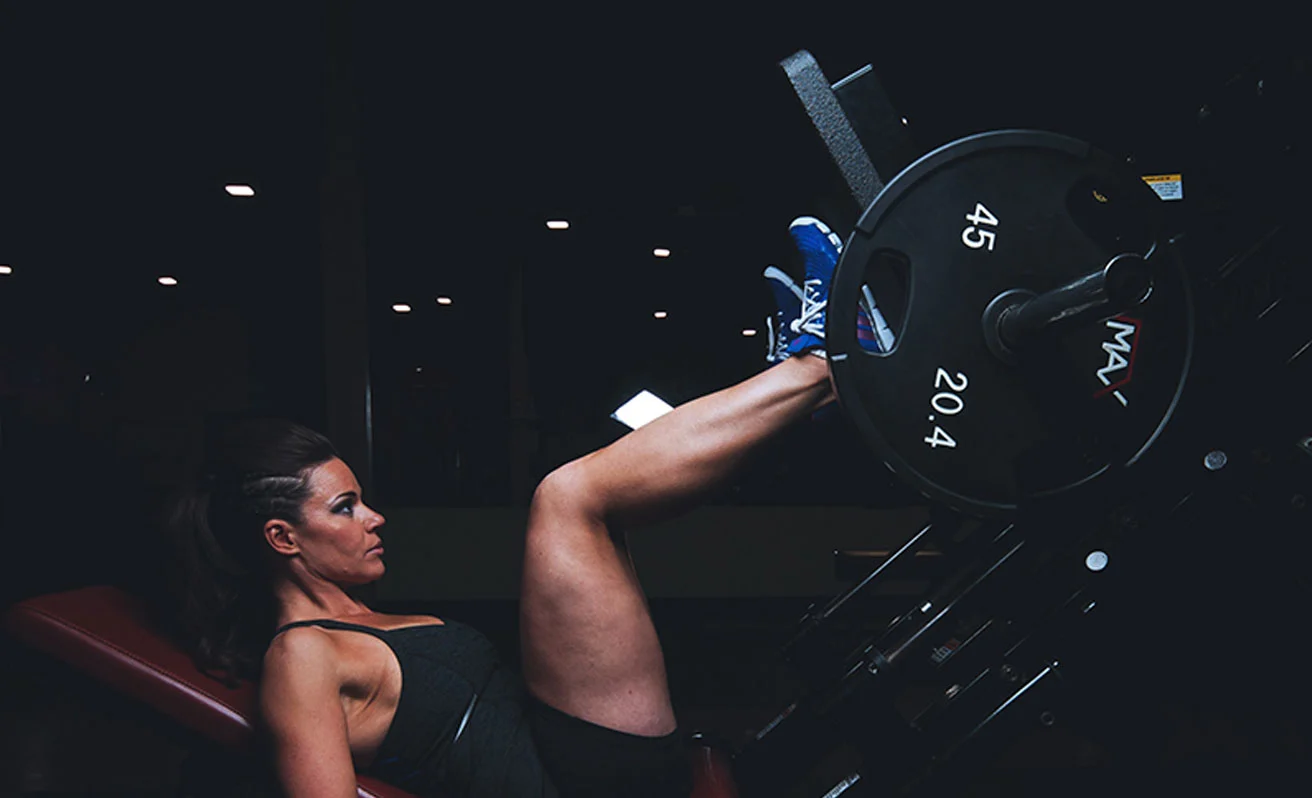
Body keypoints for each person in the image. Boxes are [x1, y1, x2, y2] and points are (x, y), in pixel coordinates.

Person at [166, 216, 874, 798]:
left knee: (596, 508)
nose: (374, 518)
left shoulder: (365, 623)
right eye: (346, 508)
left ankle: (809, 384)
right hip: (573, 783)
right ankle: (818, 364)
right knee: (568, 498)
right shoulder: (301, 656)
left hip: (573, 752)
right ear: (282, 539)